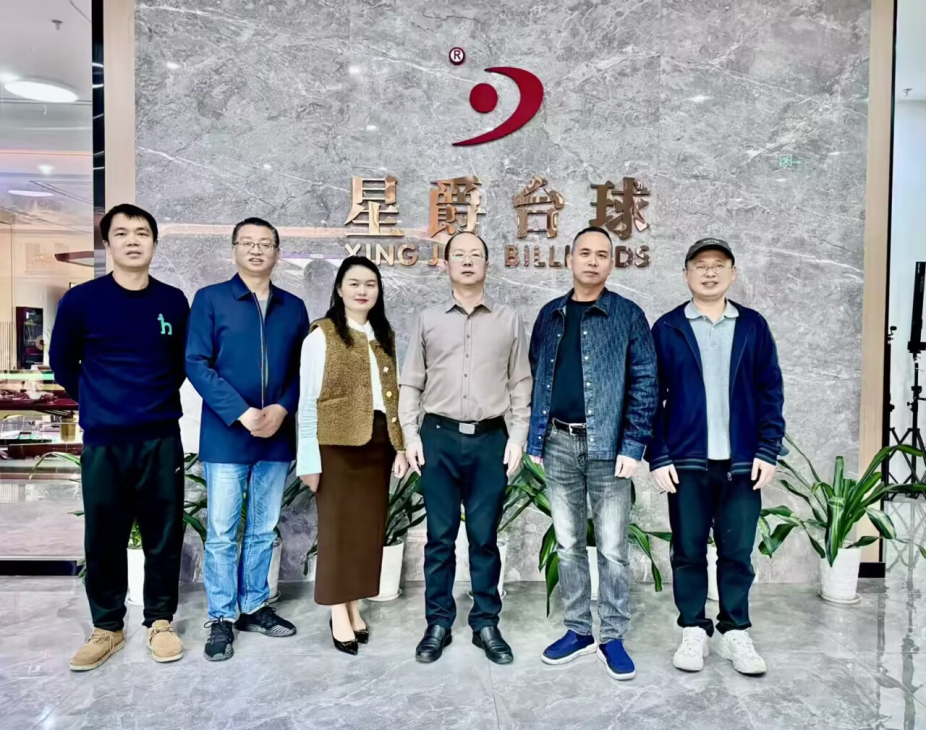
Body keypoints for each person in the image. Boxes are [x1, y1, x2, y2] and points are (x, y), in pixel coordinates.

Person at [50, 203, 189, 671]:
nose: (133, 240)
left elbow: (179, 365)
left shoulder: (173, 301)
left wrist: (149, 402)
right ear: (107, 243)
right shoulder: (82, 301)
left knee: (163, 534)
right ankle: (107, 626)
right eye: (123, 233)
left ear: (154, 243)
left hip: (160, 438)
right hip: (104, 441)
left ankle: (160, 621)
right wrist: (99, 401)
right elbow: (62, 363)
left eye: (142, 232)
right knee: (104, 535)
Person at [648, 237, 784, 676]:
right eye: (700, 265)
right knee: (688, 550)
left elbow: (770, 390)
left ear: (732, 273)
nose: (709, 272)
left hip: (742, 463)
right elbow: (650, 396)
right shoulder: (668, 328)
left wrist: (767, 448)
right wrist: (658, 455)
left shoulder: (752, 326)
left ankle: (734, 631)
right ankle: (693, 628)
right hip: (686, 463)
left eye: (718, 265)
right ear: (686, 274)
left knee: (737, 552)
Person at [527, 226, 657, 681]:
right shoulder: (550, 315)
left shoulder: (627, 315)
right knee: (567, 545)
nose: (593, 261)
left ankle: (613, 635)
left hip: (609, 448)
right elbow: (537, 372)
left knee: (614, 549)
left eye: (603, 254)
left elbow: (646, 381)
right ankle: (579, 630)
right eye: (585, 253)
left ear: (611, 264)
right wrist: (537, 438)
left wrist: (634, 444)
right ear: (570, 259)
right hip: (558, 443)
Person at [399, 231, 532, 665]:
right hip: (437, 438)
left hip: (491, 440)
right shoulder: (428, 319)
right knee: (439, 538)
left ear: (487, 265)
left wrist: (517, 437)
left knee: (484, 537)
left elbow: (520, 381)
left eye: (476, 254)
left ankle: (486, 622)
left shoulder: (508, 319)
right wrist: (410, 435)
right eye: (459, 254)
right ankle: (437, 622)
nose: (468, 260)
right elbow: (411, 381)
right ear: (447, 264)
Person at [186, 217, 309, 662]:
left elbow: (303, 369)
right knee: (221, 531)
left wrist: (282, 409)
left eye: (265, 244)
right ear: (235, 249)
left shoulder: (293, 307)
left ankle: (255, 605)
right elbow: (196, 363)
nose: (257, 250)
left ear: (277, 252)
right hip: (226, 435)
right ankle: (221, 616)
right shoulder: (211, 299)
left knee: (262, 527)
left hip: (275, 434)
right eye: (248, 243)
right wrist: (241, 413)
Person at [296, 256, 408, 655]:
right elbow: (307, 401)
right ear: (339, 289)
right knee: (338, 532)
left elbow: (393, 399)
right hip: (336, 447)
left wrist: (399, 446)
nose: (363, 291)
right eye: (354, 283)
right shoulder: (322, 335)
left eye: (370, 284)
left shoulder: (384, 335)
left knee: (365, 532)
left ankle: (354, 606)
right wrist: (308, 460)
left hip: (377, 444)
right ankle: (337, 613)